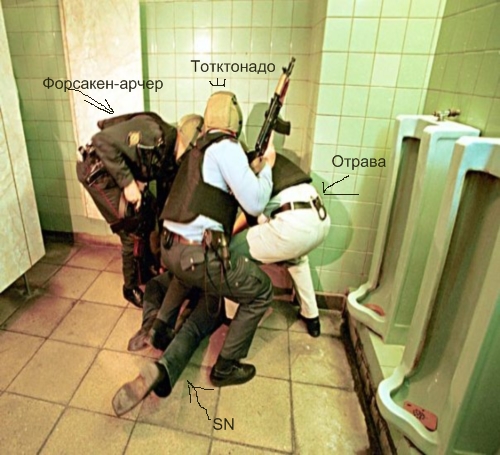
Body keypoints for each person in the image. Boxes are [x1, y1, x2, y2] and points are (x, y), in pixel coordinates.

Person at [153, 91, 276, 390]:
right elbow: (256, 204)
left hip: (169, 249)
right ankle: (226, 366)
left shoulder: (197, 148)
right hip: (195, 256)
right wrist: (267, 168)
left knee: (186, 277)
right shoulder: (226, 147)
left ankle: (160, 328)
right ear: (236, 122)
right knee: (261, 290)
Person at [79, 112, 178, 308]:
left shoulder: (167, 147)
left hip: (111, 169)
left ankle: (145, 271)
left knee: (148, 211)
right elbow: (101, 140)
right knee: (131, 229)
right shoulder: (154, 135)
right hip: (97, 172)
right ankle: (130, 288)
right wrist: (128, 183)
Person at [231, 150, 330, 337]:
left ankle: (231, 316)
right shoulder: (269, 160)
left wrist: (228, 236)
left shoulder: (247, 171)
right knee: (296, 259)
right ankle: (312, 317)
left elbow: (248, 215)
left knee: (232, 251)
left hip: (294, 224)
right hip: (320, 219)